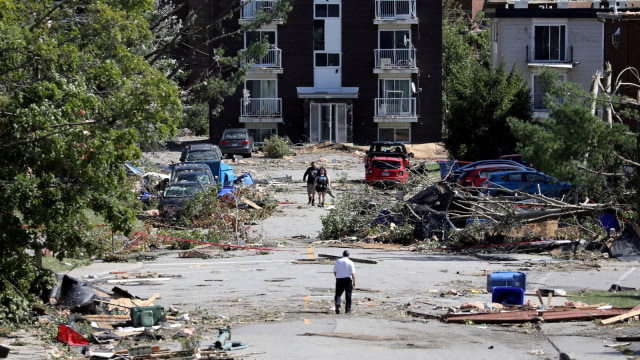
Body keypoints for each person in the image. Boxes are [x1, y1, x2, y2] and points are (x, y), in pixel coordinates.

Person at [333, 250, 356, 314]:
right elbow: (353, 273)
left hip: (339, 279)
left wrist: (337, 277)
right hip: (348, 280)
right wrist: (354, 281)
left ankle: (338, 303)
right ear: (348, 255)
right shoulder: (350, 262)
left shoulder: (338, 261)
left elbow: (334, 271)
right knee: (348, 295)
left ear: (342, 254)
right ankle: (348, 309)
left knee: (338, 294)